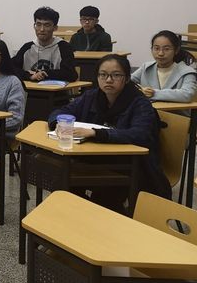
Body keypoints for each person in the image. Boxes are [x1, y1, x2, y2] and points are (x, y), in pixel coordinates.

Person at [48, 54, 168, 211]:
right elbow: (61, 111)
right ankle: (77, 219)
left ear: (127, 78)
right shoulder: (91, 96)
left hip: (129, 166)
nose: (109, 80)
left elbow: (140, 135)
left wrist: (97, 133)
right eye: (103, 75)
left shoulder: (140, 103)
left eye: (116, 75)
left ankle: (103, 219)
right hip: (93, 159)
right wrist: (58, 123)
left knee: (104, 197)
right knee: (62, 183)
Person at [11, 6, 77, 82]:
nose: (42, 29)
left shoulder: (64, 47)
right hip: (31, 89)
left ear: (55, 28)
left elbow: (71, 74)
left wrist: (44, 74)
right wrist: (29, 76)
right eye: (38, 24)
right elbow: (11, 68)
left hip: (56, 89)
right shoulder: (27, 47)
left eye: (47, 25)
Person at [131, 30, 197, 103]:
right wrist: (139, 90)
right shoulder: (146, 67)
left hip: (174, 110)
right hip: (147, 109)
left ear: (176, 50)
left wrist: (154, 93)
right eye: (156, 48)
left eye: (166, 49)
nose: (160, 53)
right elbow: (127, 83)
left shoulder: (187, 72)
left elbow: (187, 94)